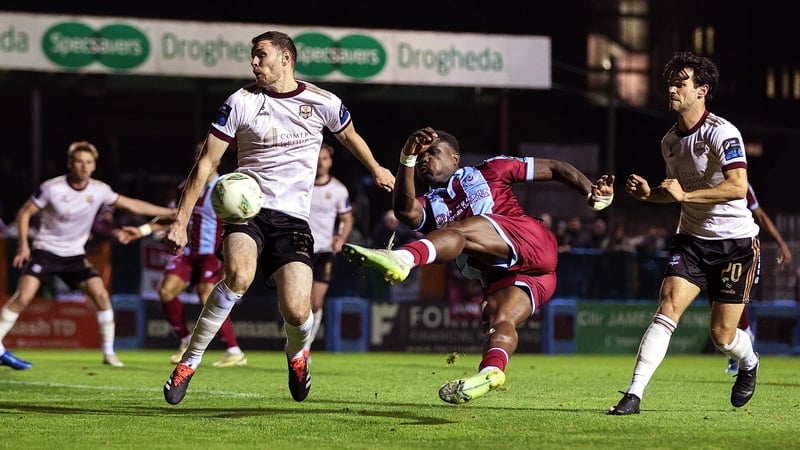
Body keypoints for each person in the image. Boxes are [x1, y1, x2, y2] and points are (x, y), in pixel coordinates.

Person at [160, 30, 394, 405]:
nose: (254, 63)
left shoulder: (323, 101)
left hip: (293, 220)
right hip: (248, 211)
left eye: (261, 55)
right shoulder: (241, 102)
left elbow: (349, 137)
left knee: (298, 310)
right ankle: (189, 361)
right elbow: (206, 163)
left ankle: (297, 356)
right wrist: (180, 220)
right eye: (252, 56)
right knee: (238, 276)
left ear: (286, 58)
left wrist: (377, 167)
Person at [343, 127, 614, 404]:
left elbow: (556, 168)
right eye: (421, 156)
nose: (425, 159)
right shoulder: (430, 204)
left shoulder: (491, 169)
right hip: (521, 275)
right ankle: (492, 372)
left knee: (460, 230)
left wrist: (591, 192)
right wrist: (406, 158)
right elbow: (405, 211)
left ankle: (404, 258)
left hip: (529, 241)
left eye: (433, 153)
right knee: (499, 320)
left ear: (455, 158)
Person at [608, 52, 762, 415]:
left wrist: (685, 196)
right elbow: (673, 191)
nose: (672, 88)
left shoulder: (722, 132)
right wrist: (649, 195)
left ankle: (750, 361)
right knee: (667, 308)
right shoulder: (669, 142)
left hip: (736, 244)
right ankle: (634, 394)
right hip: (691, 241)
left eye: (681, 83)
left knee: (722, 336)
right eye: (671, 82)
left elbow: (738, 186)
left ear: (702, 91)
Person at [0, 140, 175, 370]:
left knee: (101, 296)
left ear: (94, 166)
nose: (83, 166)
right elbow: (24, 213)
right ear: (70, 164)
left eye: (88, 162)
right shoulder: (52, 188)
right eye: (79, 162)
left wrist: (171, 212)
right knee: (23, 297)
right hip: (46, 251)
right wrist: (24, 245)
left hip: (75, 255)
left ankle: (109, 353)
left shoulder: (99, 190)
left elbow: (133, 205)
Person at [116, 144, 246, 368]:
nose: (201, 157)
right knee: (166, 291)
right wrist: (141, 231)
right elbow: (173, 217)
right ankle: (185, 341)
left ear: (217, 158)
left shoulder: (227, 188)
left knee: (207, 295)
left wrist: (234, 253)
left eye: (205, 153)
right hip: (187, 253)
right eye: (198, 153)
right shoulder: (185, 187)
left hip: (211, 254)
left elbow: (239, 220)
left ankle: (234, 351)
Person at [721, 183, 792, 374]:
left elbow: (759, 214)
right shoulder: (705, 179)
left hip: (744, 248)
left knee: (736, 296)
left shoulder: (741, 183)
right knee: (719, 302)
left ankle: (744, 343)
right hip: (717, 247)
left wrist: (781, 243)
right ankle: (742, 339)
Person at [307, 142, 354, 348]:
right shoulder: (302, 186)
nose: (320, 163)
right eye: (317, 159)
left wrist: (341, 238)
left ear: (330, 162)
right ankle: (297, 342)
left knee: (315, 302)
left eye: (324, 159)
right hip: (300, 248)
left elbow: (347, 219)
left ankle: (305, 347)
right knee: (297, 302)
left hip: (325, 250)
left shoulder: (338, 190)